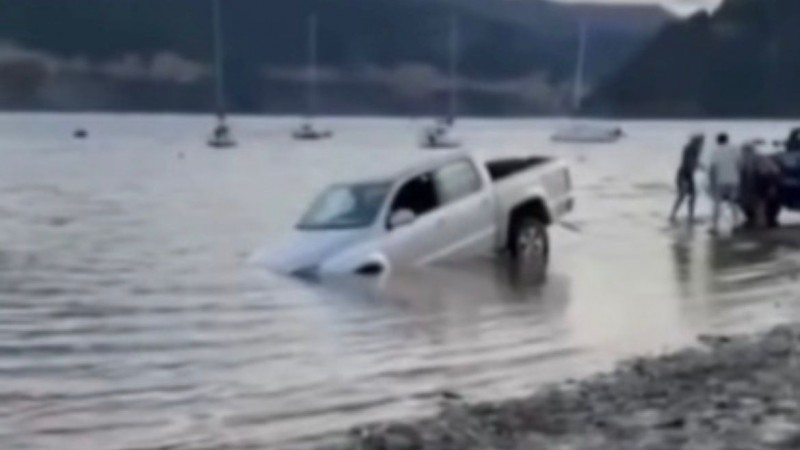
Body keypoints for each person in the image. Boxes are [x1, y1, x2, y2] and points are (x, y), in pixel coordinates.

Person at [708, 133, 742, 234]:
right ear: (727, 140)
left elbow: (712, 169)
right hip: (734, 180)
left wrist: (711, 183)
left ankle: (714, 226)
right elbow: (739, 164)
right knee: (733, 203)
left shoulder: (715, 152)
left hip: (720, 181)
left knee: (717, 204)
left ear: (717, 141)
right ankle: (736, 224)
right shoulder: (735, 150)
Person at [669, 134, 704, 223]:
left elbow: (694, 162)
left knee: (692, 196)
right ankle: (673, 215)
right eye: (701, 142)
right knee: (682, 195)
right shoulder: (690, 149)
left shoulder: (694, 149)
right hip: (683, 174)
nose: (702, 145)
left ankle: (689, 216)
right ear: (697, 142)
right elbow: (688, 162)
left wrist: (701, 166)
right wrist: (697, 166)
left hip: (688, 174)